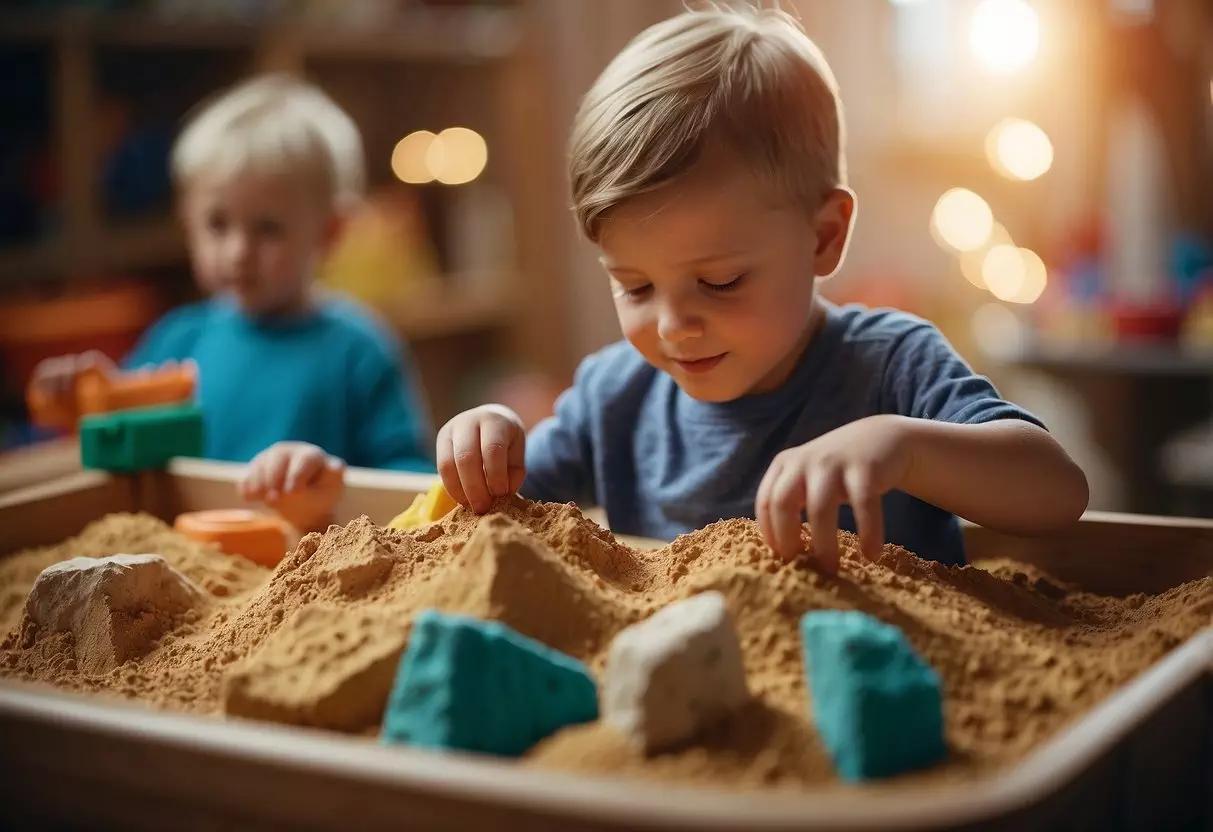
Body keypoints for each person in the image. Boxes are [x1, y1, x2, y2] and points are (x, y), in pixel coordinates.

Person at [276, 4, 1090, 570]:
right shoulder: (616, 396)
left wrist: (903, 447)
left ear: (823, 237)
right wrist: (486, 436)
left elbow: (1058, 491)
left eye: (719, 280)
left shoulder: (888, 367)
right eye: (632, 286)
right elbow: (491, 510)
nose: (673, 324)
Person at [31, 74, 434, 501]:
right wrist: (78, 399)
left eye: (269, 228)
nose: (239, 251)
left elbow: (411, 481)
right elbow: (116, 445)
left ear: (329, 232)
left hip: (308, 556)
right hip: (192, 553)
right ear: (187, 219)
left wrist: (331, 477)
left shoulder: (359, 349)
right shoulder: (179, 338)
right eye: (218, 224)